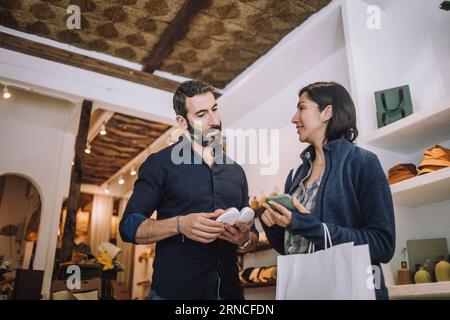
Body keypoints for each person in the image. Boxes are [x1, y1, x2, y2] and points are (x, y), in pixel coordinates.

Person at [119, 80, 258, 300]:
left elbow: (252, 239)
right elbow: (128, 227)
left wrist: (243, 238)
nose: (213, 121)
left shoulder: (236, 171)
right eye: (201, 114)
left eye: (214, 109)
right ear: (182, 122)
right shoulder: (160, 163)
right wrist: (179, 224)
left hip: (230, 294)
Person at [260, 82, 395, 300]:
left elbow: (383, 244)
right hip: (303, 290)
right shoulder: (296, 176)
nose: (294, 118)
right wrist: (273, 224)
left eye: (301, 108)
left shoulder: (362, 163)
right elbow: (290, 249)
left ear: (327, 112)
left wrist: (310, 226)